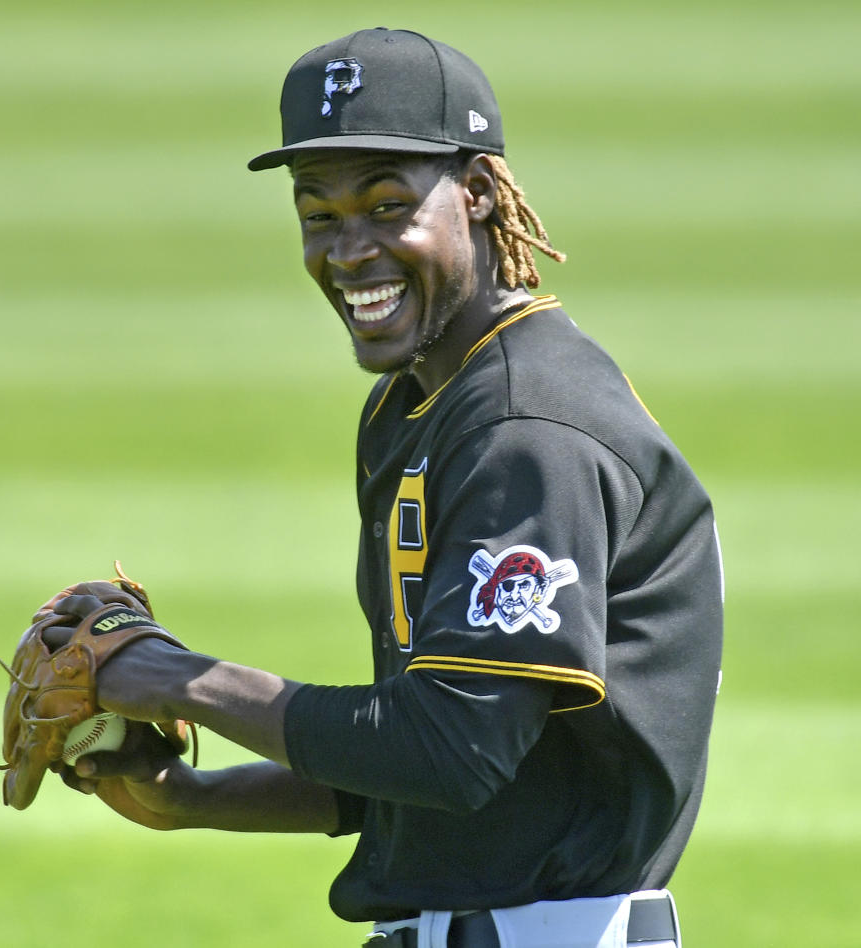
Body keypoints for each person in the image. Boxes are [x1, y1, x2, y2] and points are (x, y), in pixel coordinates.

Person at [52, 28, 723, 948]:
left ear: (480, 194)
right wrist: (191, 797)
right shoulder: (416, 404)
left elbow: (453, 749)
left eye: (387, 204)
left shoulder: (528, 431)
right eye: (319, 214)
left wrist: (176, 681)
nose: (350, 250)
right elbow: (442, 768)